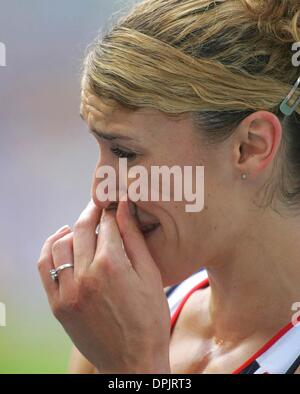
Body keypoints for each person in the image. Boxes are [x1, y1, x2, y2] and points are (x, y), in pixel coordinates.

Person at [38, 0, 300, 374]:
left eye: (125, 152)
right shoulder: (126, 320)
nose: (102, 192)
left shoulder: (129, 342)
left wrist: (136, 367)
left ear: (250, 147)